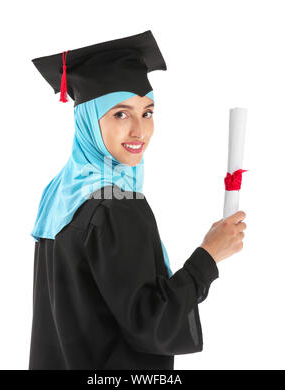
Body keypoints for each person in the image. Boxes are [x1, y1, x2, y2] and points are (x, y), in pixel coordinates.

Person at [28, 30, 247, 370]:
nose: (139, 132)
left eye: (147, 112)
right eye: (120, 114)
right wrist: (209, 255)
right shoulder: (117, 205)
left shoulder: (62, 190)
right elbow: (152, 323)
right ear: (87, 119)